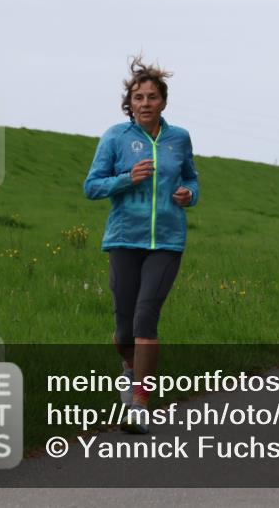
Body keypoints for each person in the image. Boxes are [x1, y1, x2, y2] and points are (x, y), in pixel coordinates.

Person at [84, 56, 200, 434]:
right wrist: (126, 178)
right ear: (129, 103)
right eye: (139, 97)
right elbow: (92, 186)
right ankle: (130, 370)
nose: (146, 103)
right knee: (123, 330)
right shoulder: (115, 138)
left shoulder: (178, 138)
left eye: (152, 96)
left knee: (146, 318)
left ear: (163, 102)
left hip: (167, 240)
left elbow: (192, 180)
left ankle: (140, 403)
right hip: (124, 238)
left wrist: (188, 194)